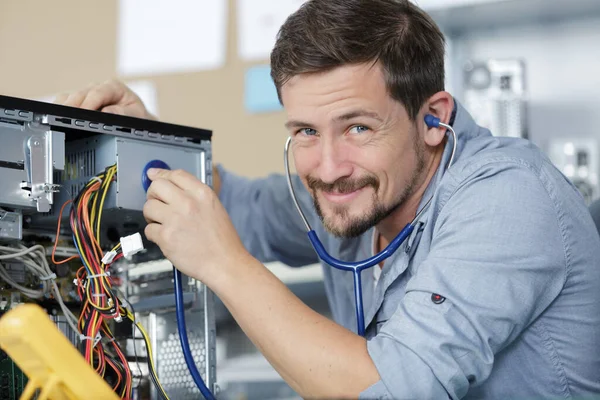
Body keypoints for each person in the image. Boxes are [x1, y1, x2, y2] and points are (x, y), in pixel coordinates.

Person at [56, 0, 600, 398]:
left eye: (359, 128)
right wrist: (151, 139)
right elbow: (243, 211)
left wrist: (224, 264)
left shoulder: (509, 199)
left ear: (434, 118)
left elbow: (394, 390)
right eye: (306, 133)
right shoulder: (357, 194)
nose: (330, 168)